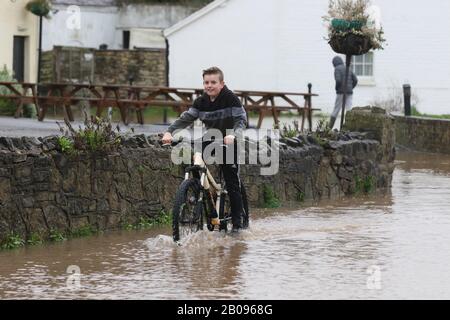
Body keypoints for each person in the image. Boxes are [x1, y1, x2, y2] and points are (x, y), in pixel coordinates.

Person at [161, 66, 247, 232]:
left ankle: (237, 224)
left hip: (230, 140)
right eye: (206, 82)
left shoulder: (231, 99)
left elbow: (241, 121)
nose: (209, 85)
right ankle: (199, 188)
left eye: (213, 82)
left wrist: (234, 135)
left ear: (222, 84)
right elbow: (186, 118)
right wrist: (169, 132)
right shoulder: (201, 102)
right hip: (211, 137)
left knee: (232, 182)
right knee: (195, 159)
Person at [329, 56, 358, 129]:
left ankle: (329, 128)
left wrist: (337, 88)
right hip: (349, 92)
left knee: (336, 109)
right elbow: (355, 80)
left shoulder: (337, 69)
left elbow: (338, 81)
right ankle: (350, 128)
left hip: (341, 92)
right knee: (349, 110)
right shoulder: (347, 68)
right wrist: (351, 87)